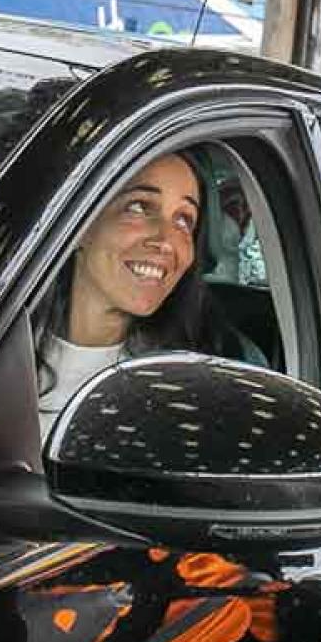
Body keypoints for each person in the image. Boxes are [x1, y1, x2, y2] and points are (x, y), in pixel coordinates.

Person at [35, 148, 214, 432]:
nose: (166, 241)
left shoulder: (184, 388)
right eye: (139, 207)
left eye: (183, 220)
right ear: (78, 226)